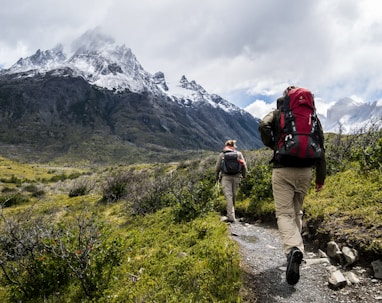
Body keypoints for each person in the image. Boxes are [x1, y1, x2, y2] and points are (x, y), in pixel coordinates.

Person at [258, 86, 326, 285]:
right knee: (297, 212)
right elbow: (321, 147)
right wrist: (320, 178)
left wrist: (274, 144)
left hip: (283, 169)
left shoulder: (280, 113)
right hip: (306, 171)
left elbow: (263, 125)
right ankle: (297, 250)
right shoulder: (312, 117)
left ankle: (293, 250)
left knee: (284, 214)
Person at [215, 139, 247, 223]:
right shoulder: (238, 154)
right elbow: (244, 166)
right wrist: (244, 176)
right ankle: (232, 214)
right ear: (233, 146)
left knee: (228, 196)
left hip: (225, 177)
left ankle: (231, 216)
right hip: (236, 177)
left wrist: (216, 178)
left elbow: (217, 168)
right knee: (234, 195)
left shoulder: (222, 154)